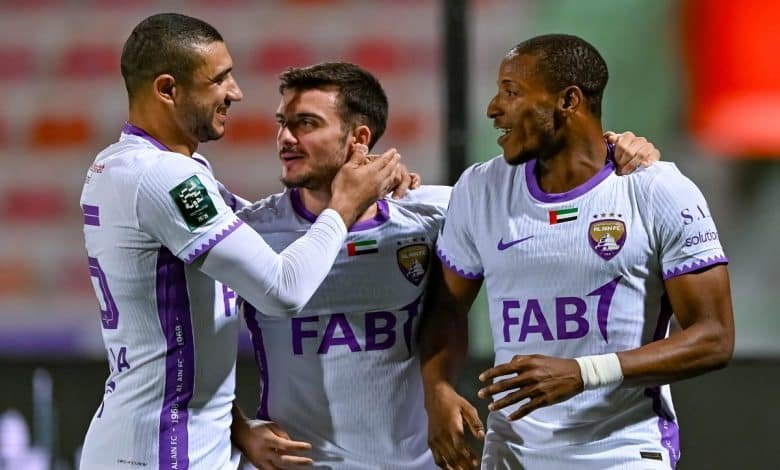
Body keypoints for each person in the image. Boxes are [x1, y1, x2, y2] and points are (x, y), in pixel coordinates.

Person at [235, 62, 662, 469]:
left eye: (305, 123)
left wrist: (614, 149)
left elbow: (555, 191)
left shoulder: (435, 213)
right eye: (282, 123)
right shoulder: (251, 232)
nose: (285, 138)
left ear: (359, 137)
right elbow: (199, 345)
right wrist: (241, 429)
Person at [78, 14, 406, 470]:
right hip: (162, 450)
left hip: (160, 438)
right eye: (219, 79)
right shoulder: (164, 178)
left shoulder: (130, 164)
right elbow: (282, 289)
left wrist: (368, 186)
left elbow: (268, 227)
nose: (235, 92)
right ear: (168, 89)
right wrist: (346, 204)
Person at [421, 34, 734, 469]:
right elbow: (445, 307)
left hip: (622, 451)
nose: (493, 108)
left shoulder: (657, 190)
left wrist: (585, 373)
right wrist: (437, 388)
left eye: (511, 92)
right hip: (511, 452)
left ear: (568, 100)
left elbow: (714, 337)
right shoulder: (480, 188)